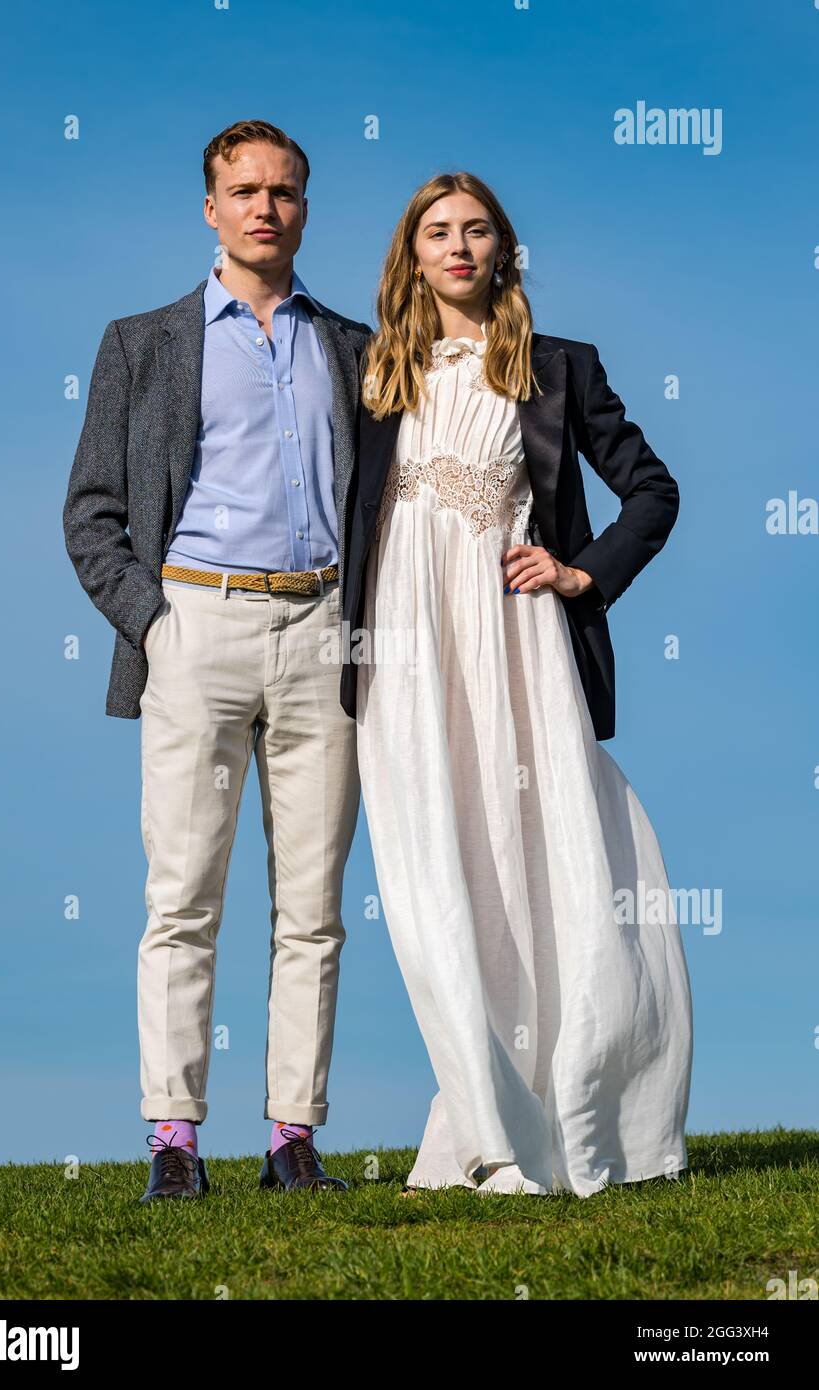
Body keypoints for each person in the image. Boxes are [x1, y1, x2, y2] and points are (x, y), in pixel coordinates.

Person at [339, 171, 694, 1197]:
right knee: (429, 874)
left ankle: (553, 1113)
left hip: (515, 644)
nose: (458, 247)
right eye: (437, 232)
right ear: (411, 253)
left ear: (504, 248)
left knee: (532, 857)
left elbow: (653, 490)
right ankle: (485, 1129)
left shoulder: (558, 367)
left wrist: (583, 571)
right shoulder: (371, 372)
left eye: (477, 230)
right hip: (402, 649)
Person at [63, 120, 372, 1200]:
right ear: (210, 206)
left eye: (285, 191)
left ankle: (294, 1139)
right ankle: (175, 1146)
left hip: (323, 630)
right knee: (182, 896)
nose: (265, 208)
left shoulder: (354, 347)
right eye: (244, 190)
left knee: (314, 905)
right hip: (195, 625)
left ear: (304, 207)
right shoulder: (139, 343)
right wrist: (153, 624)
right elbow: (92, 511)